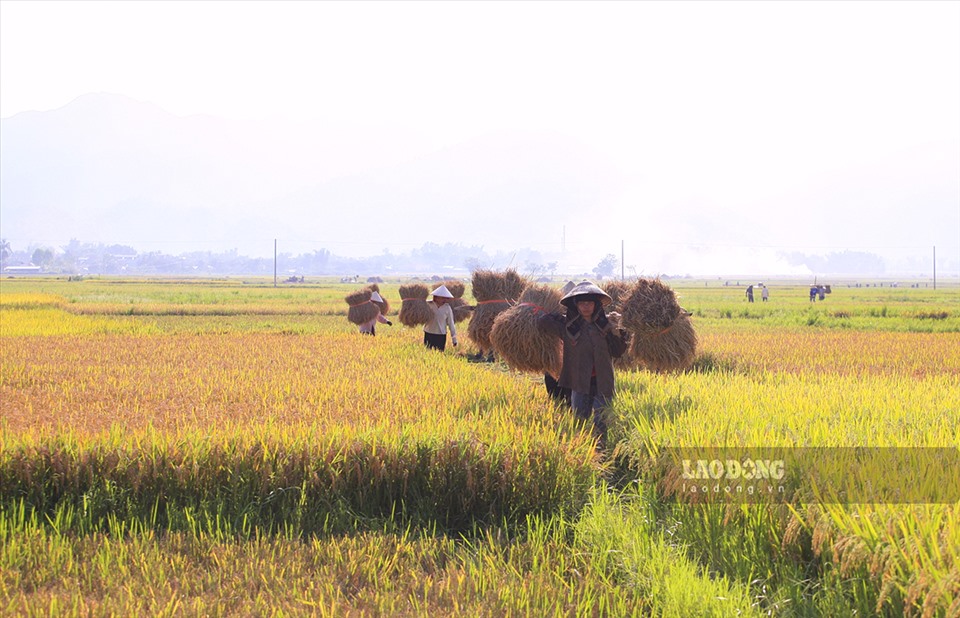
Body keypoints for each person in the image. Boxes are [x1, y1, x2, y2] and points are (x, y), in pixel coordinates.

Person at [537, 281, 628, 448]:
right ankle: (582, 451)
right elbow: (543, 323)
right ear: (576, 305)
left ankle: (601, 451)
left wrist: (620, 331)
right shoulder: (568, 326)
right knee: (579, 419)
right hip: (579, 382)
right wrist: (559, 315)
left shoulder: (606, 325)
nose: (586, 306)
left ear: (596, 305)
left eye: (590, 303)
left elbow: (618, 352)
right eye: (582, 303)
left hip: (603, 381)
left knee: (601, 421)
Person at [423, 285, 459, 351]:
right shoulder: (428, 305)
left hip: (441, 335)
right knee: (427, 354)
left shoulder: (447, 308)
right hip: (428, 333)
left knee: (439, 354)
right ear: (436, 297)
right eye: (442, 298)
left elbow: (451, 324)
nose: (444, 300)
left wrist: (454, 339)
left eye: (445, 298)